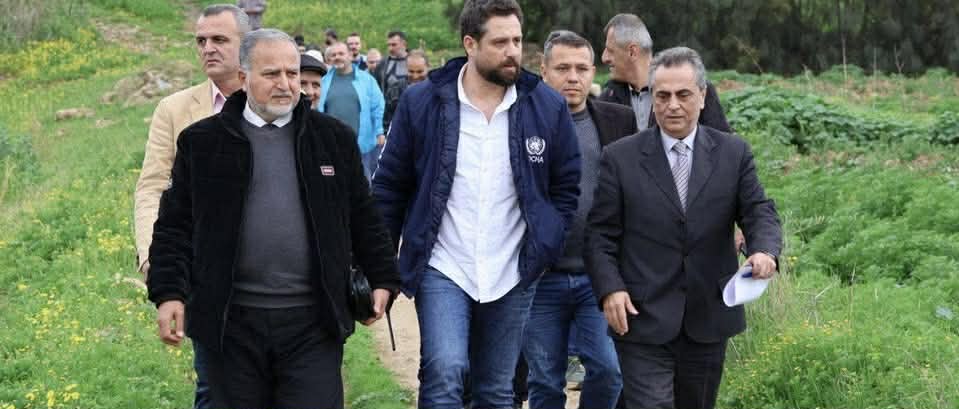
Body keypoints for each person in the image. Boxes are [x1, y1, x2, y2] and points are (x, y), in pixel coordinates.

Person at [147, 28, 400, 409]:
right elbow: (174, 225)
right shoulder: (202, 142)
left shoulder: (332, 139)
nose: (285, 84)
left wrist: (382, 278)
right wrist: (169, 292)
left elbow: (363, 216)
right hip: (229, 325)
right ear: (243, 77)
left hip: (313, 323)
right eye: (271, 74)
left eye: (292, 73)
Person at [371, 1, 581, 407]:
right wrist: (381, 267)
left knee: (497, 389)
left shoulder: (547, 106)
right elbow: (390, 187)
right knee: (444, 371)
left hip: (512, 269)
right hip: (444, 265)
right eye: (500, 42)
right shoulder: (422, 102)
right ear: (470, 43)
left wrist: (545, 244)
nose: (512, 52)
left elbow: (566, 186)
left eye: (517, 40)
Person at [585, 46, 783, 409]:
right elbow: (600, 234)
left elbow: (758, 210)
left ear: (703, 96)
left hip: (707, 315)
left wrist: (764, 250)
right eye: (662, 96)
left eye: (683, 95)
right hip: (640, 316)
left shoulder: (733, 153)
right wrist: (611, 289)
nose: (672, 105)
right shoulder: (621, 157)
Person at [133, 5, 250, 409]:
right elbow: (152, 187)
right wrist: (154, 260)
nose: (208, 48)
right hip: (205, 272)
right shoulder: (175, 110)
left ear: (245, 45)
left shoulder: (274, 99)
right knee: (214, 388)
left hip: (273, 271)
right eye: (201, 41)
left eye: (219, 39)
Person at [524, 29, 636, 409]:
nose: (573, 77)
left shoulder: (618, 121)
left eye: (581, 68)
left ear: (593, 73)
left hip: (598, 277)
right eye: (563, 68)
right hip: (540, 278)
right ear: (543, 71)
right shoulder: (520, 120)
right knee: (544, 380)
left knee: (609, 370)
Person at [599, 13, 731, 133]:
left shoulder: (695, 88)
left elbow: (720, 144)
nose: (604, 58)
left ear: (632, 52)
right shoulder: (608, 97)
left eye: (610, 51)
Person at [317, 41, 385, 181]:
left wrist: (379, 131)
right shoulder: (323, 81)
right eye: (333, 55)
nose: (337, 57)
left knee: (363, 184)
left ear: (349, 55)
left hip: (361, 146)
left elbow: (377, 106)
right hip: (331, 145)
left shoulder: (367, 80)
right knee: (334, 184)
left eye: (341, 53)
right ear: (329, 59)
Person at [372, 30, 408, 129]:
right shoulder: (382, 64)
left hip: (409, 110)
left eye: (394, 45)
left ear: (404, 44)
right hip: (387, 115)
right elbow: (375, 88)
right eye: (389, 45)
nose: (390, 48)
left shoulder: (414, 62)